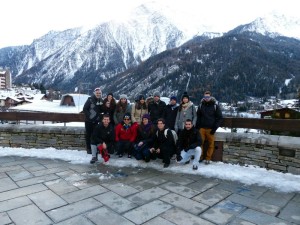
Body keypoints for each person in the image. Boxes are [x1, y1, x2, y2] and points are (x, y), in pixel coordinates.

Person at [196, 91, 223, 165]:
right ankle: (200, 157)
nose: (206, 98)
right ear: (203, 97)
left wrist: (214, 128)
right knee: (200, 143)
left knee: (211, 144)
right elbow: (198, 116)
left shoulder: (215, 106)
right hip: (202, 128)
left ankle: (208, 158)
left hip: (211, 128)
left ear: (210, 97)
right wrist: (197, 127)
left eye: (208, 97)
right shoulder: (201, 105)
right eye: (205, 97)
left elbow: (220, 118)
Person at [82, 87, 103, 154]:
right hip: (89, 121)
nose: (98, 94)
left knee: (95, 135)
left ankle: (95, 148)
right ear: (94, 93)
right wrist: (89, 116)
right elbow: (85, 109)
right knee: (88, 135)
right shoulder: (90, 99)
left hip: (96, 121)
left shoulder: (101, 100)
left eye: (99, 93)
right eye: (97, 93)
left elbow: (101, 110)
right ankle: (88, 148)